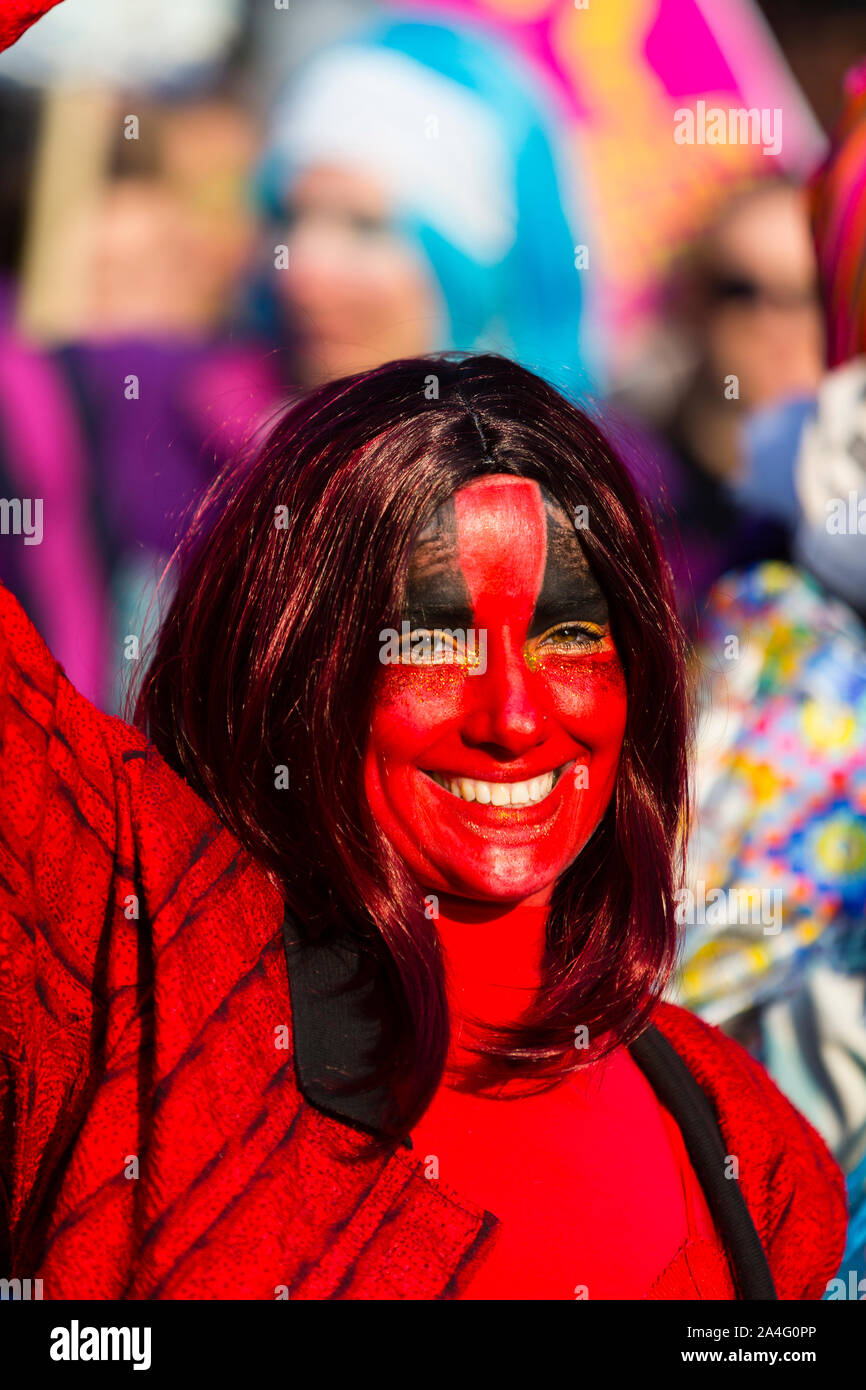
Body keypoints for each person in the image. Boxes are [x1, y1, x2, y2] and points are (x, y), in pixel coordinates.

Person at [0, 354, 845, 1300]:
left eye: (568, 634)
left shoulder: (752, 1153)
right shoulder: (137, 957)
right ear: (291, 660)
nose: (514, 719)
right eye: (432, 642)